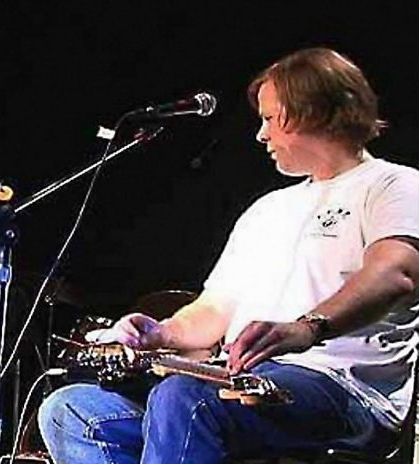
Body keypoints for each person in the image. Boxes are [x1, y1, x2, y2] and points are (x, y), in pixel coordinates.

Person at [37, 48, 419, 463]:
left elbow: (396, 272)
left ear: (316, 111)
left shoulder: (393, 185)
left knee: (186, 399)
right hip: (237, 385)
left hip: (339, 389)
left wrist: (307, 328)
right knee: (70, 410)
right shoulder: (267, 209)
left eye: (271, 118)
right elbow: (216, 308)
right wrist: (161, 333)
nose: (261, 134)